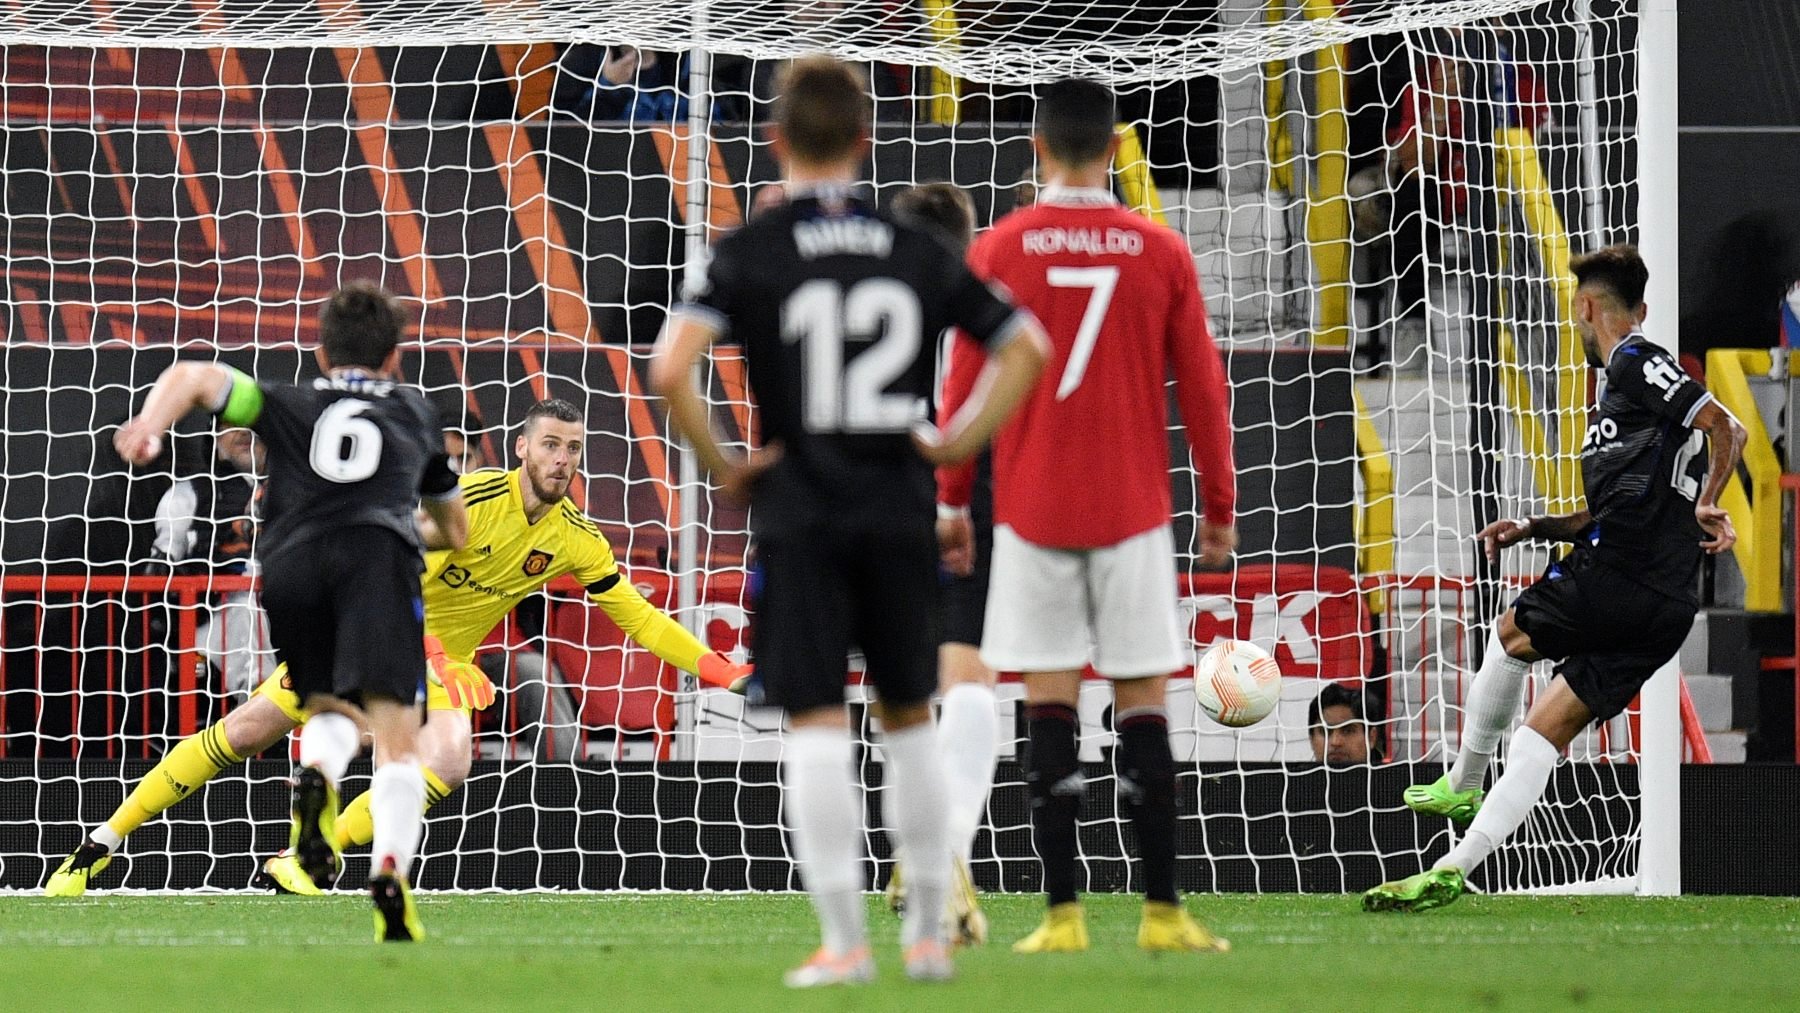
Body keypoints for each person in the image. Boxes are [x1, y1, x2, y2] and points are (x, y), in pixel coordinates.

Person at [651, 56, 1047, 986]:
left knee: (818, 723)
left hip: (801, 516)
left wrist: (728, 468)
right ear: (867, 142)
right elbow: (1025, 344)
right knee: (909, 719)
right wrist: (954, 443)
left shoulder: (753, 246)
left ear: (776, 140)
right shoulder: (915, 248)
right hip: (900, 510)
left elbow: (672, 368)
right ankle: (925, 938)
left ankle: (844, 942)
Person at [45, 398, 751, 899]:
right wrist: (442, 657)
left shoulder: (575, 537)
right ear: (522, 449)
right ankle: (97, 844)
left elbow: (641, 619)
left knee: (449, 755)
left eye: (572, 446)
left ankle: (298, 859)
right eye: (550, 444)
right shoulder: (466, 506)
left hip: (425, 663)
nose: (562, 459)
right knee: (243, 731)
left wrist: (719, 669)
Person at [937, 78, 1237, 955]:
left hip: (1030, 508)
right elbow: (1203, 388)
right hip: (1133, 507)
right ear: (1115, 148)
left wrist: (954, 500)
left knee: (1047, 701)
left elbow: (967, 382)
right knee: (1142, 697)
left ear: (1037, 146)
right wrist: (1218, 506)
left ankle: (1061, 917)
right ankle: (1162, 912)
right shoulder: (1160, 249)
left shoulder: (1001, 247)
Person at [1363, 244, 1747, 913]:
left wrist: (1710, 499)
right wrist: (1532, 526)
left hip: (1622, 572)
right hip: (1667, 605)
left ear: (1584, 307)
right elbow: (1614, 506)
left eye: (1576, 316)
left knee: (1511, 630)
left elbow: (1727, 426)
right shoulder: (1629, 409)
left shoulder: (1633, 357)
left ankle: (1462, 779)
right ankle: (1455, 866)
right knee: (1542, 731)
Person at [107, 281, 468, 941]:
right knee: (397, 741)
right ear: (394, 355)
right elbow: (455, 528)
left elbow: (193, 374)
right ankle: (389, 869)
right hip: (374, 563)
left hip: (292, 566)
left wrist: (149, 426)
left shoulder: (288, 400)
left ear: (321, 348)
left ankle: (317, 772)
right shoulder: (416, 411)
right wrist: (401, 520)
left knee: (328, 704)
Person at [881, 181, 994, 947]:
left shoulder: (868, 296)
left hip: (873, 497)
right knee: (974, 680)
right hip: (964, 495)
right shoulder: (980, 303)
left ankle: (919, 853)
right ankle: (944, 847)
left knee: (908, 697)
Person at [1308, 683, 1375, 765]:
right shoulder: (1291, 777)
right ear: (1311, 739)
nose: (1336, 742)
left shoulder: (1389, 777)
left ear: (1371, 738)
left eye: (1348, 731)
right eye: (1325, 731)